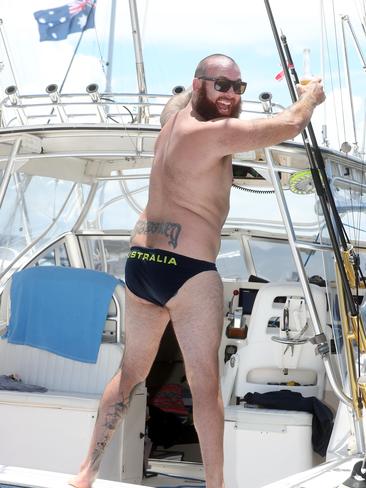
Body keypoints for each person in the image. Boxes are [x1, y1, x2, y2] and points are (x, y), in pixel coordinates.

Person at [70, 53, 325, 488]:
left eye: (237, 87)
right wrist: (310, 98)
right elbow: (289, 125)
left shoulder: (173, 118)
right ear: (200, 82)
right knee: (206, 385)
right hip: (187, 269)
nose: (230, 95)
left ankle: (85, 475)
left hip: (143, 265)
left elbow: (185, 101)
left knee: (130, 373)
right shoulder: (214, 134)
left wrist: (207, 90)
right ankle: (216, 486)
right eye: (220, 85)